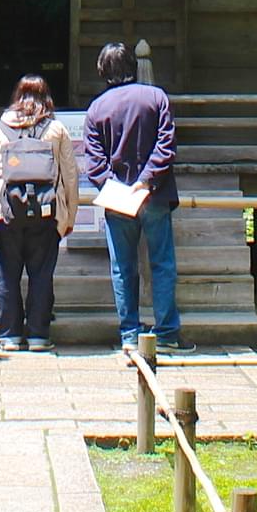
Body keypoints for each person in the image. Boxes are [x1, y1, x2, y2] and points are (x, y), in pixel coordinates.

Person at [82, 40, 182, 350]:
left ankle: (129, 334)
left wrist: (117, 186)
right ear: (133, 66)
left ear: (102, 70)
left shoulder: (96, 109)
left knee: (123, 268)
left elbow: (94, 163)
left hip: (117, 198)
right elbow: (166, 145)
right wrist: (146, 180)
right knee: (162, 264)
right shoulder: (156, 97)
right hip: (154, 194)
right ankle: (166, 334)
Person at [0, 74, 78, 352]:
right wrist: (69, 216)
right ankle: (38, 335)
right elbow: (70, 176)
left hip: (3, 215)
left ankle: (9, 335)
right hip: (47, 215)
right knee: (41, 275)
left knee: (6, 276)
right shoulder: (56, 131)